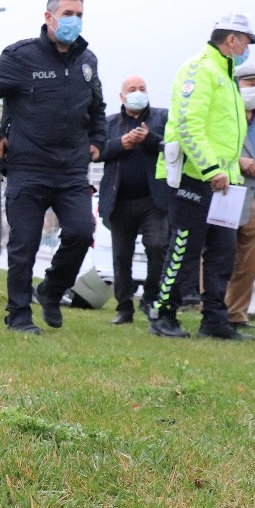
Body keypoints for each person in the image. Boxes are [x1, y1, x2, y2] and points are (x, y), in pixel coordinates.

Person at [0, 0, 105, 334]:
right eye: (67, 14)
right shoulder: (21, 56)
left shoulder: (88, 61)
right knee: (24, 244)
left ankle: (51, 290)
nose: (74, 21)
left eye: (79, 15)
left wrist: (98, 141)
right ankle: (18, 316)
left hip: (72, 169)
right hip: (28, 166)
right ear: (49, 18)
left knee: (79, 233)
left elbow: (98, 108)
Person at [149, 13, 255, 341]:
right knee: (185, 247)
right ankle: (162, 313)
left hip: (225, 182)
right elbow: (188, 124)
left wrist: (226, 172)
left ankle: (214, 319)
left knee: (222, 251)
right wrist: (211, 169)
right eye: (246, 42)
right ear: (231, 40)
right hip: (194, 175)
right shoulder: (200, 69)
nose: (247, 49)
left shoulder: (226, 75)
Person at [97, 76, 170, 325]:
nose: (138, 92)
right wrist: (122, 143)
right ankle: (124, 307)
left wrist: (148, 139)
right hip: (119, 200)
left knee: (158, 246)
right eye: (132, 89)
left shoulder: (162, 118)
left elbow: (172, 147)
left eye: (142, 89)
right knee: (121, 256)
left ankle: (150, 299)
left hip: (154, 199)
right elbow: (94, 152)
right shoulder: (109, 124)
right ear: (122, 96)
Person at [225, 65, 255, 330]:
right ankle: (215, 310)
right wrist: (238, 161)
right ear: (236, 86)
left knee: (250, 262)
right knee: (222, 256)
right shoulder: (225, 114)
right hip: (230, 194)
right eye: (250, 83)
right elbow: (213, 147)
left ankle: (236, 315)